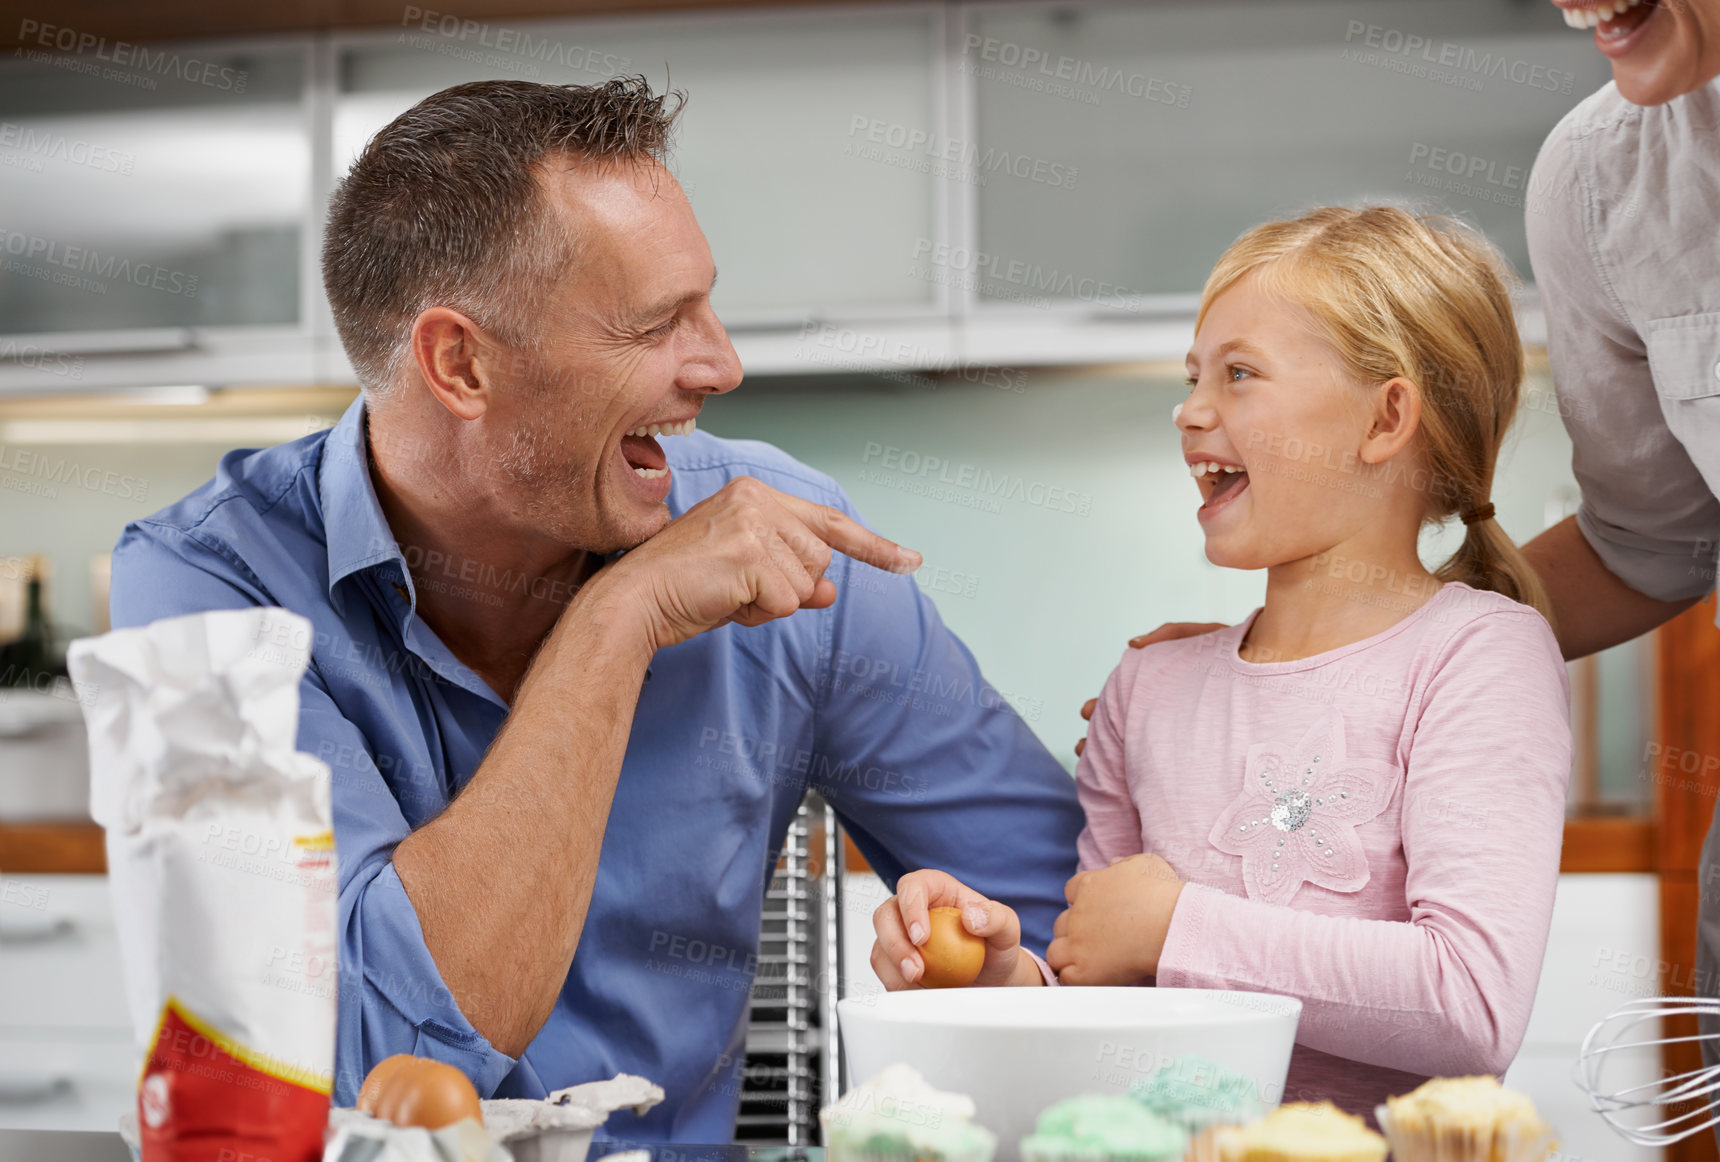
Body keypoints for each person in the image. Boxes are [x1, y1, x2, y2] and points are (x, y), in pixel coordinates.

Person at [108, 78, 1084, 1138]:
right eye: (659, 324)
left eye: (706, 304)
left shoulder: (784, 544)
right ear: (460, 362)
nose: (721, 363)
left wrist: (1008, 971)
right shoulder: (209, 583)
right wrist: (619, 619)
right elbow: (372, 1062)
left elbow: (1074, 923)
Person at [870, 207, 1574, 1119]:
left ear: (1386, 416)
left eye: (1239, 374)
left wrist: (1175, 926)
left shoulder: (1480, 654)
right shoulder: (1149, 689)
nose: (1190, 410)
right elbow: (1112, 1014)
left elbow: (1470, 1001)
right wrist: (1005, 979)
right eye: (1194, 376)